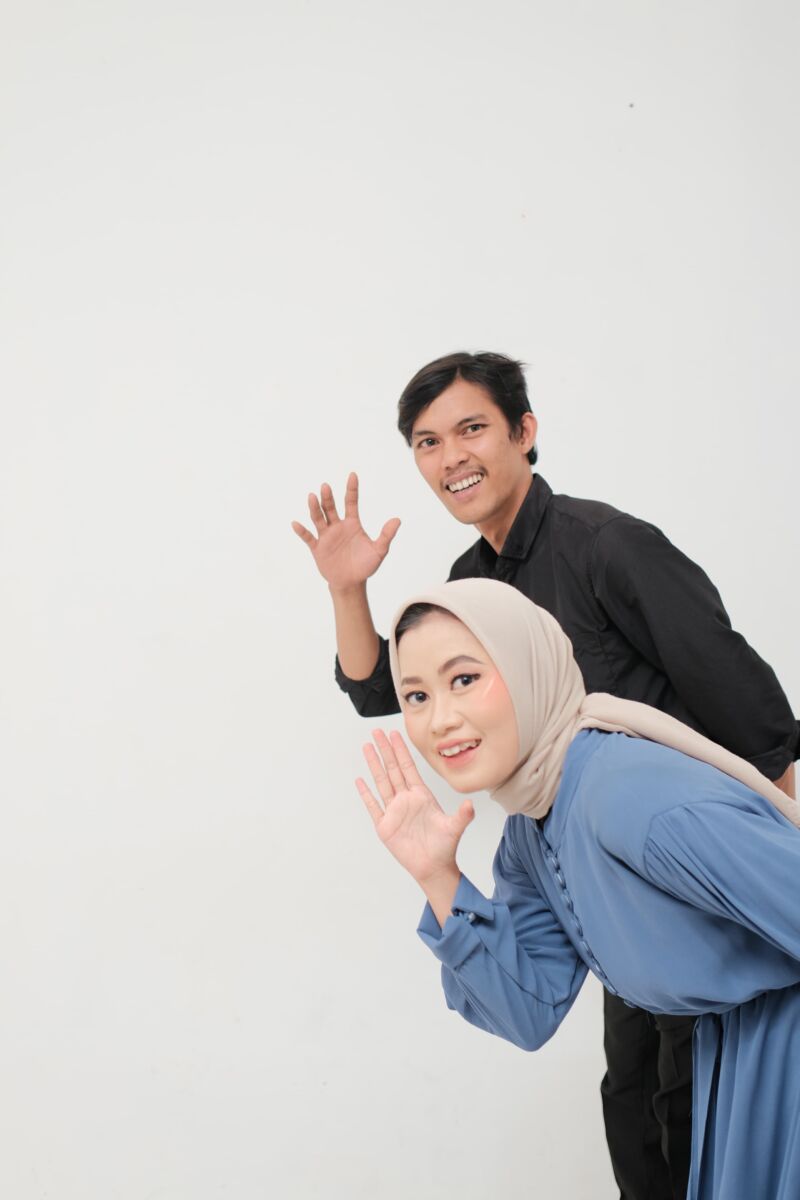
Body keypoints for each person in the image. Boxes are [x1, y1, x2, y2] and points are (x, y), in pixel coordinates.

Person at [292, 351, 798, 1200]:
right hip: (613, 891)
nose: (450, 456)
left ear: (525, 432)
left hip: (689, 879)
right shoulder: (471, 591)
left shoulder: (609, 549)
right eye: (426, 442)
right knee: (638, 1123)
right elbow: (380, 687)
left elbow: (745, 703)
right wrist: (349, 591)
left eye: (471, 428)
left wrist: (768, 848)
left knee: (686, 1126)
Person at [356, 578, 800, 1200]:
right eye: (417, 696)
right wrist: (439, 878)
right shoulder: (532, 827)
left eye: (465, 679)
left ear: (527, 665)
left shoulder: (621, 792)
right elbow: (528, 1010)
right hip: (739, 1067)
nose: (441, 720)